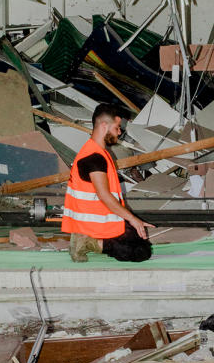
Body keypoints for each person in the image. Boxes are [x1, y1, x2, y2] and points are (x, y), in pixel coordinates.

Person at [62, 103, 154, 263]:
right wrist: (132, 219)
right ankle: (86, 242)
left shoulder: (95, 151)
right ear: (104, 126)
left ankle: (88, 238)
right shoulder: (94, 158)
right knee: (140, 251)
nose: (119, 132)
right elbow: (104, 195)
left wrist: (129, 218)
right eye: (117, 127)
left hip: (101, 216)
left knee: (140, 239)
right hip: (93, 222)